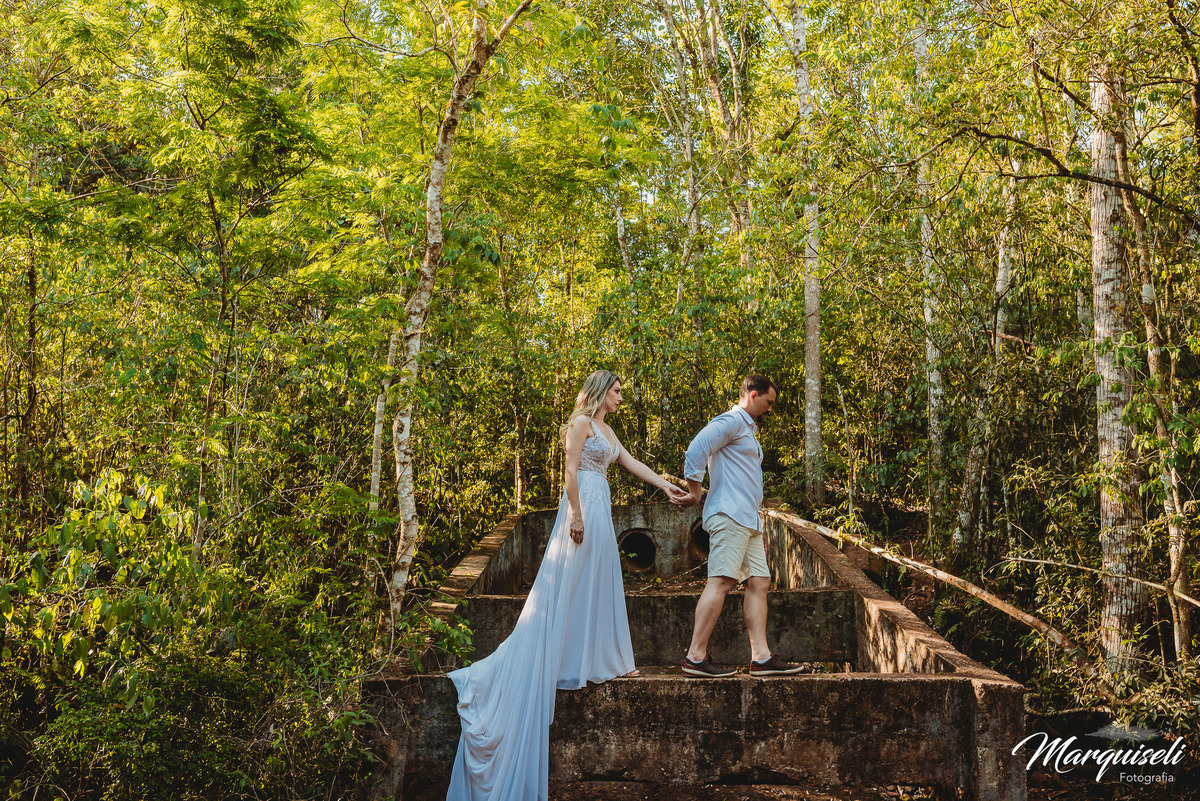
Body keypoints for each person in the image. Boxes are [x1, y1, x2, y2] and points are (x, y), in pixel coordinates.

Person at [447, 370, 687, 801]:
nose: (620, 398)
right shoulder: (579, 423)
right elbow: (571, 472)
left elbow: (631, 463)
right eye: (616, 391)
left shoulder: (607, 429)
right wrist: (575, 515)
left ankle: (605, 659)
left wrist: (665, 485)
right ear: (600, 391)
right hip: (581, 508)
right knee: (566, 585)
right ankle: (539, 661)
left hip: (601, 506)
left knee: (598, 583)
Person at [676, 374, 804, 677]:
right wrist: (695, 492)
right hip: (729, 515)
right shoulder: (732, 421)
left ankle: (761, 657)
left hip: (747, 520)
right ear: (753, 395)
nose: (770, 409)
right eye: (769, 402)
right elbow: (696, 448)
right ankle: (695, 657)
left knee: (759, 582)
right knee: (721, 582)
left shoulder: (747, 429)